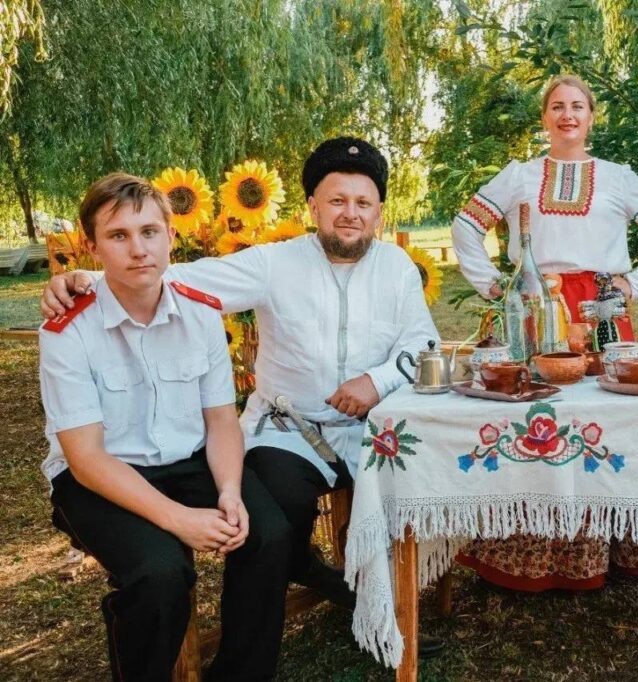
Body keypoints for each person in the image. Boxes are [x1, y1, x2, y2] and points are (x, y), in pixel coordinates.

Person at [40, 138, 445, 656]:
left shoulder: (397, 267)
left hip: (374, 427)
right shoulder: (275, 262)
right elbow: (170, 276)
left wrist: (377, 380)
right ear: (313, 207)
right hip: (291, 429)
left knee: (416, 486)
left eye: (363, 202)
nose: (350, 213)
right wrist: (86, 280)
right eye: (337, 200)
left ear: (379, 211)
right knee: (276, 504)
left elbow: (423, 343)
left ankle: (371, 599)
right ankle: (305, 576)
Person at [39, 173, 291, 680]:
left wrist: (230, 491)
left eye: (150, 232)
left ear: (171, 236)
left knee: (269, 536)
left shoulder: (200, 313)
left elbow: (220, 421)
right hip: (99, 478)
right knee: (160, 574)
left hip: (188, 460)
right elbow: (85, 457)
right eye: (118, 235)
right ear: (92, 246)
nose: (139, 249)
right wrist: (178, 519)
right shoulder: (67, 329)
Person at [450, 75, 638, 591]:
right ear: (544, 117)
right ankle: (521, 555)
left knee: (605, 413)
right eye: (557, 106)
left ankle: (608, 549)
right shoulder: (519, 175)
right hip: (535, 302)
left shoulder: (618, 177)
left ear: (592, 116)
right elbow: (466, 224)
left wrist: (635, 284)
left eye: (577, 106)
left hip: (600, 307)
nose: (567, 115)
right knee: (530, 409)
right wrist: (494, 284)